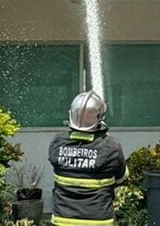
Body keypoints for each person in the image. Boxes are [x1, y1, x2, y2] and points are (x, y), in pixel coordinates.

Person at [49, 91, 128, 226]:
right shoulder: (110, 146)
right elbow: (122, 178)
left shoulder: (58, 142)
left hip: (62, 221)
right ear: (100, 118)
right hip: (99, 222)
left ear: (72, 115)